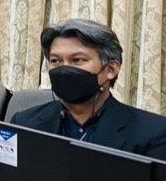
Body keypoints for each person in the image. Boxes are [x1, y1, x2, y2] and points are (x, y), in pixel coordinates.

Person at [11, 18, 166, 159]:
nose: (64, 69)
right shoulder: (24, 123)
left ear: (111, 69)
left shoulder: (152, 133)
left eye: (77, 60)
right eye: (56, 61)